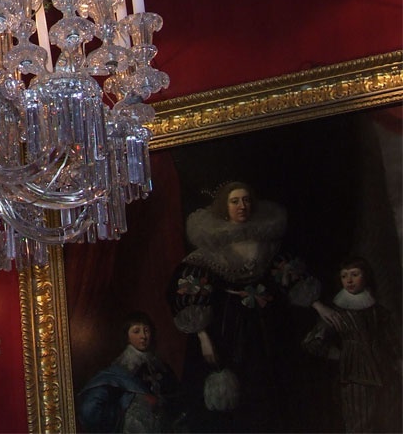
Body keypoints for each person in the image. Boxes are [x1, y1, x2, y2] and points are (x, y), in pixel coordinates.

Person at [168, 181, 336, 432]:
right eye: (235, 201)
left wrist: (318, 305)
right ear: (225, 207)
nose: (242, 206)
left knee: (271, 378)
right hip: (228, 325)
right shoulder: (210, 248)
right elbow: (190, 289)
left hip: (268, 320)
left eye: (246, 200)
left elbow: (287, 272)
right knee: (238, 384)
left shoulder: (266, 241)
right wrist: (203, 336)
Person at [303, 256, 402, 432]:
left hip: (385, 372)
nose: (349, 280)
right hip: (354, 376)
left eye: (354, 274)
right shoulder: (336, 313)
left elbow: (392, 340)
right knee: (359, 424)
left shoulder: (378, 310)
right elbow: (312, 343)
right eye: (344, 276)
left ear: (366, 277)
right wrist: (341, 355)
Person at [77, 311, 183, 433]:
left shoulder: (161, 366)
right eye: (136, 331)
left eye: (146, 331)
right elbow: (90, 408)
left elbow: (176, 398)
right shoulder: (119, 369)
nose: (143, 336)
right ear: (127, 336)